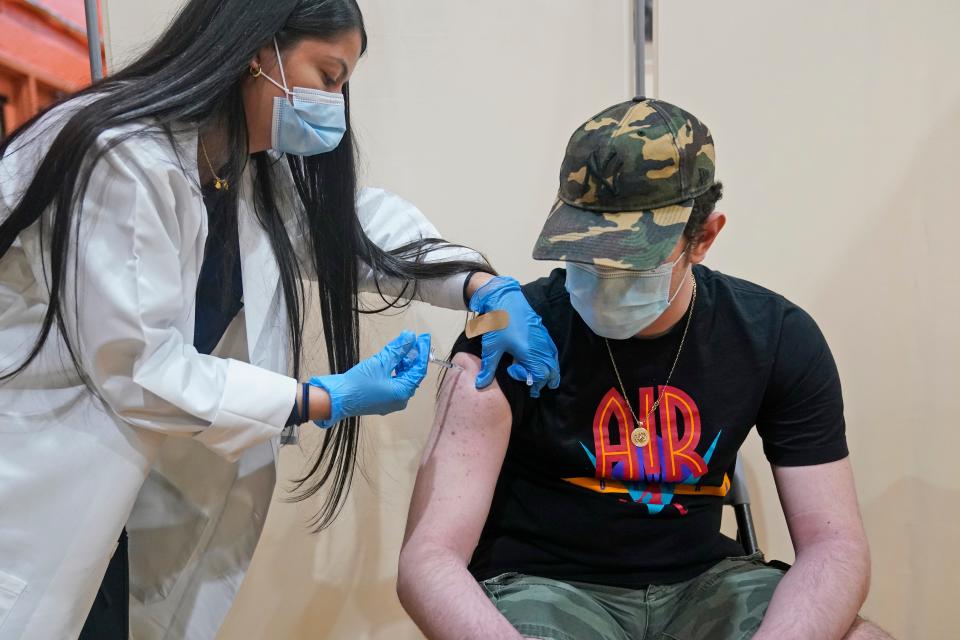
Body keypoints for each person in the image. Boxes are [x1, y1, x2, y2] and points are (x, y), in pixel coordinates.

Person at [0, 1, 560, 639]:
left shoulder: (236, 171)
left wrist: (480, 285)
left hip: (130, 498)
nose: (335, 103)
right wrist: (320, 398)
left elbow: (353, 228)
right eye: (327, 76)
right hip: (36, 488)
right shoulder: (124, 157)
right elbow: (138, 368)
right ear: (257, 51)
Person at [397, 98, 894, 640]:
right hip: (546, 590)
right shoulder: (507, 334)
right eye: (586, 255)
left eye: (633, 258)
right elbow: (429, 560)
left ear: (702, 238)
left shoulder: (773, 336)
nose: (605, 277)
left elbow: (835, 545)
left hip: (706, 586)